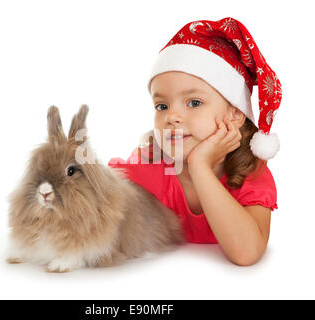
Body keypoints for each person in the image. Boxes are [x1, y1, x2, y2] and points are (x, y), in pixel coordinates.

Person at [108, 17, 282, 266]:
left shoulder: (251, 174)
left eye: (194, 103)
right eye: (162, 105)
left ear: (234, 115)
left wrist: (200, 166)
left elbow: (247, 253)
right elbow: (90, 191)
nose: (172, 116)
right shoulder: (150, 167)